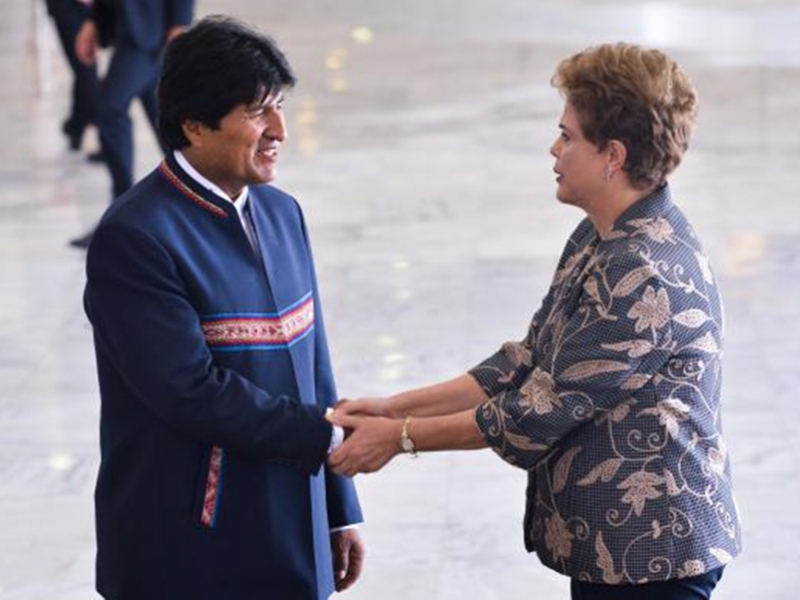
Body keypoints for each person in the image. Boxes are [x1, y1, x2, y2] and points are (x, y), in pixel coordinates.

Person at [328, 43, 742, 599]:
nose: (554, 148)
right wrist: (392, 406)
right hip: (618, 549)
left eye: (568, 136)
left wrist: (398, 439)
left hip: (653, 553)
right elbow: (525, 363)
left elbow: (536, 414)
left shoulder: (642, 269)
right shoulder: (604, 232)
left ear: (612, 156)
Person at [84, 16, 364, 600]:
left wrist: (339, 506)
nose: (280, 129)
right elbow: (189, 390)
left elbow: (315, 366)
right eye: (258, 112)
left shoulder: (282, 212)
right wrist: (330, 438)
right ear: (193, 125)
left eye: (280, 105)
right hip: (189, 540)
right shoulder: (137, 238)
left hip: (293, 516)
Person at [69, 0, 195, 248]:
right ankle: (201, 204)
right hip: (130, 26)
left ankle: (124, 214)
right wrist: (94, 20)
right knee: (167, 124)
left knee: (110, 110)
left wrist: (180, 22)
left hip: (152, 31)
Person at [44, 0, 99, 151]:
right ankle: (99, 128)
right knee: (85, 67)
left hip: (84, 8)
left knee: (84, 69)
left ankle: (77, 125)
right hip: (71, 7)